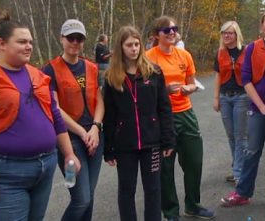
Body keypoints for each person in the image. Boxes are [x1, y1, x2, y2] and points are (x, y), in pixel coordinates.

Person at [0, 11, 80, 220]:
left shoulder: (38, 75)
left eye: (30, 42)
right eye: (22, 41)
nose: (29, 46)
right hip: (4, 174)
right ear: (2, 44)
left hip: (44, 168)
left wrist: (68, 154)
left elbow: (55, 117)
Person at [221, 9, 265, 211]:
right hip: (257, 107)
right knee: (251, 150)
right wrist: (261, 106)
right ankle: (243, 193)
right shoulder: (252, 48)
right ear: (262, 26)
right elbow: (246, 79)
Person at [145, 16, 215, 221]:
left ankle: (193, 205)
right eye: (166, 30)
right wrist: (163, 90)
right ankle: (170, 212)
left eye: (174, 29)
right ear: (157, 35)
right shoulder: (148, 58)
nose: (172, 33)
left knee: (194, 161)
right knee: (166, 167)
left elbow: (193, 83)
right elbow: (144, 91)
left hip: (186, 112)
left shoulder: (184, 55)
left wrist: (189, 89)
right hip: (162, 117)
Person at [103, 25, 175, 221]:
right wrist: (108, 148)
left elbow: (164, 108)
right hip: (125, 145)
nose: (134, 49)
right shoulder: (111, 77)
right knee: (126, 190)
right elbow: (108, 116)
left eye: (136, 44)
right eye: (129, 45)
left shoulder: (154, 72)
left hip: (151, 142)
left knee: (153, 188)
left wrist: (168, 139)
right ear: (121, 47)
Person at [42, 19, 104, 221]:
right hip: (69, 142)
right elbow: (55, 108)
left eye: (79, 38)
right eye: (71, 38)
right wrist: (82, 132)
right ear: (62, 39)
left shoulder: (92, 67)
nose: (75, 42)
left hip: (95, 139)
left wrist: (95, 128)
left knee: (90, 195)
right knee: (81, 198)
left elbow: (100, 101)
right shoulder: (49, 70)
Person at [212, 21, 249, 184]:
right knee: (231, 135)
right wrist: (216, 98)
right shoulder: (220, 53)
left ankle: (239, 172)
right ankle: (238, 166)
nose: (227, 36)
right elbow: (218, 76)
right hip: (225, 97)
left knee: (241, 136)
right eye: (224, 33)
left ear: (236, 35)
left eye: (230, 33)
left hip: (242, 96)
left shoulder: (247, 51)